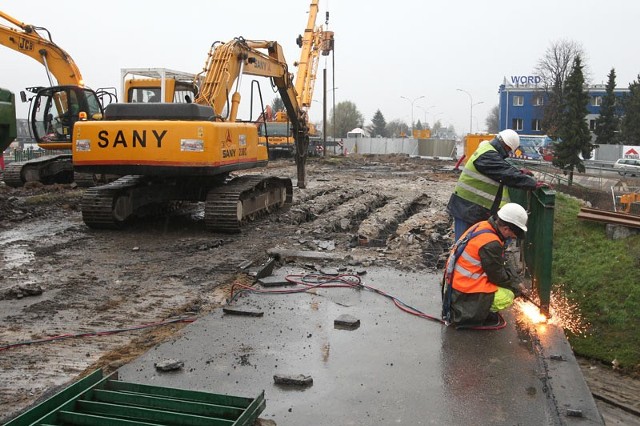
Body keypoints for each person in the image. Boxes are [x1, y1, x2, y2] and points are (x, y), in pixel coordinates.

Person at [447, 129, 545, 241]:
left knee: (469, 243)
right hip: (467, 208)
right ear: (506, 146)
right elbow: (506, 173)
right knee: (464, 244)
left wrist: (520, 172)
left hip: (469, 207)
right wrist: (532, 183)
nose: (508, 154)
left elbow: (502, 167)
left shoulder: (488, 152)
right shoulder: (487, 155)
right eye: (508, 150)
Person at [441, 203, 529, 328]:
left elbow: (501, 261)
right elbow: (497, 276)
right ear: (506, 229)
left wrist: (515, 280)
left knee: (508, 286)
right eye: (513, 235)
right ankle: (476, 314)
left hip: (456, 287)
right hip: (463, 295)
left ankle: (480, 309)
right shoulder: (491, 243)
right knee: (507, 296)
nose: (513, 237)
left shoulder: (483, 226)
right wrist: (516, 287)